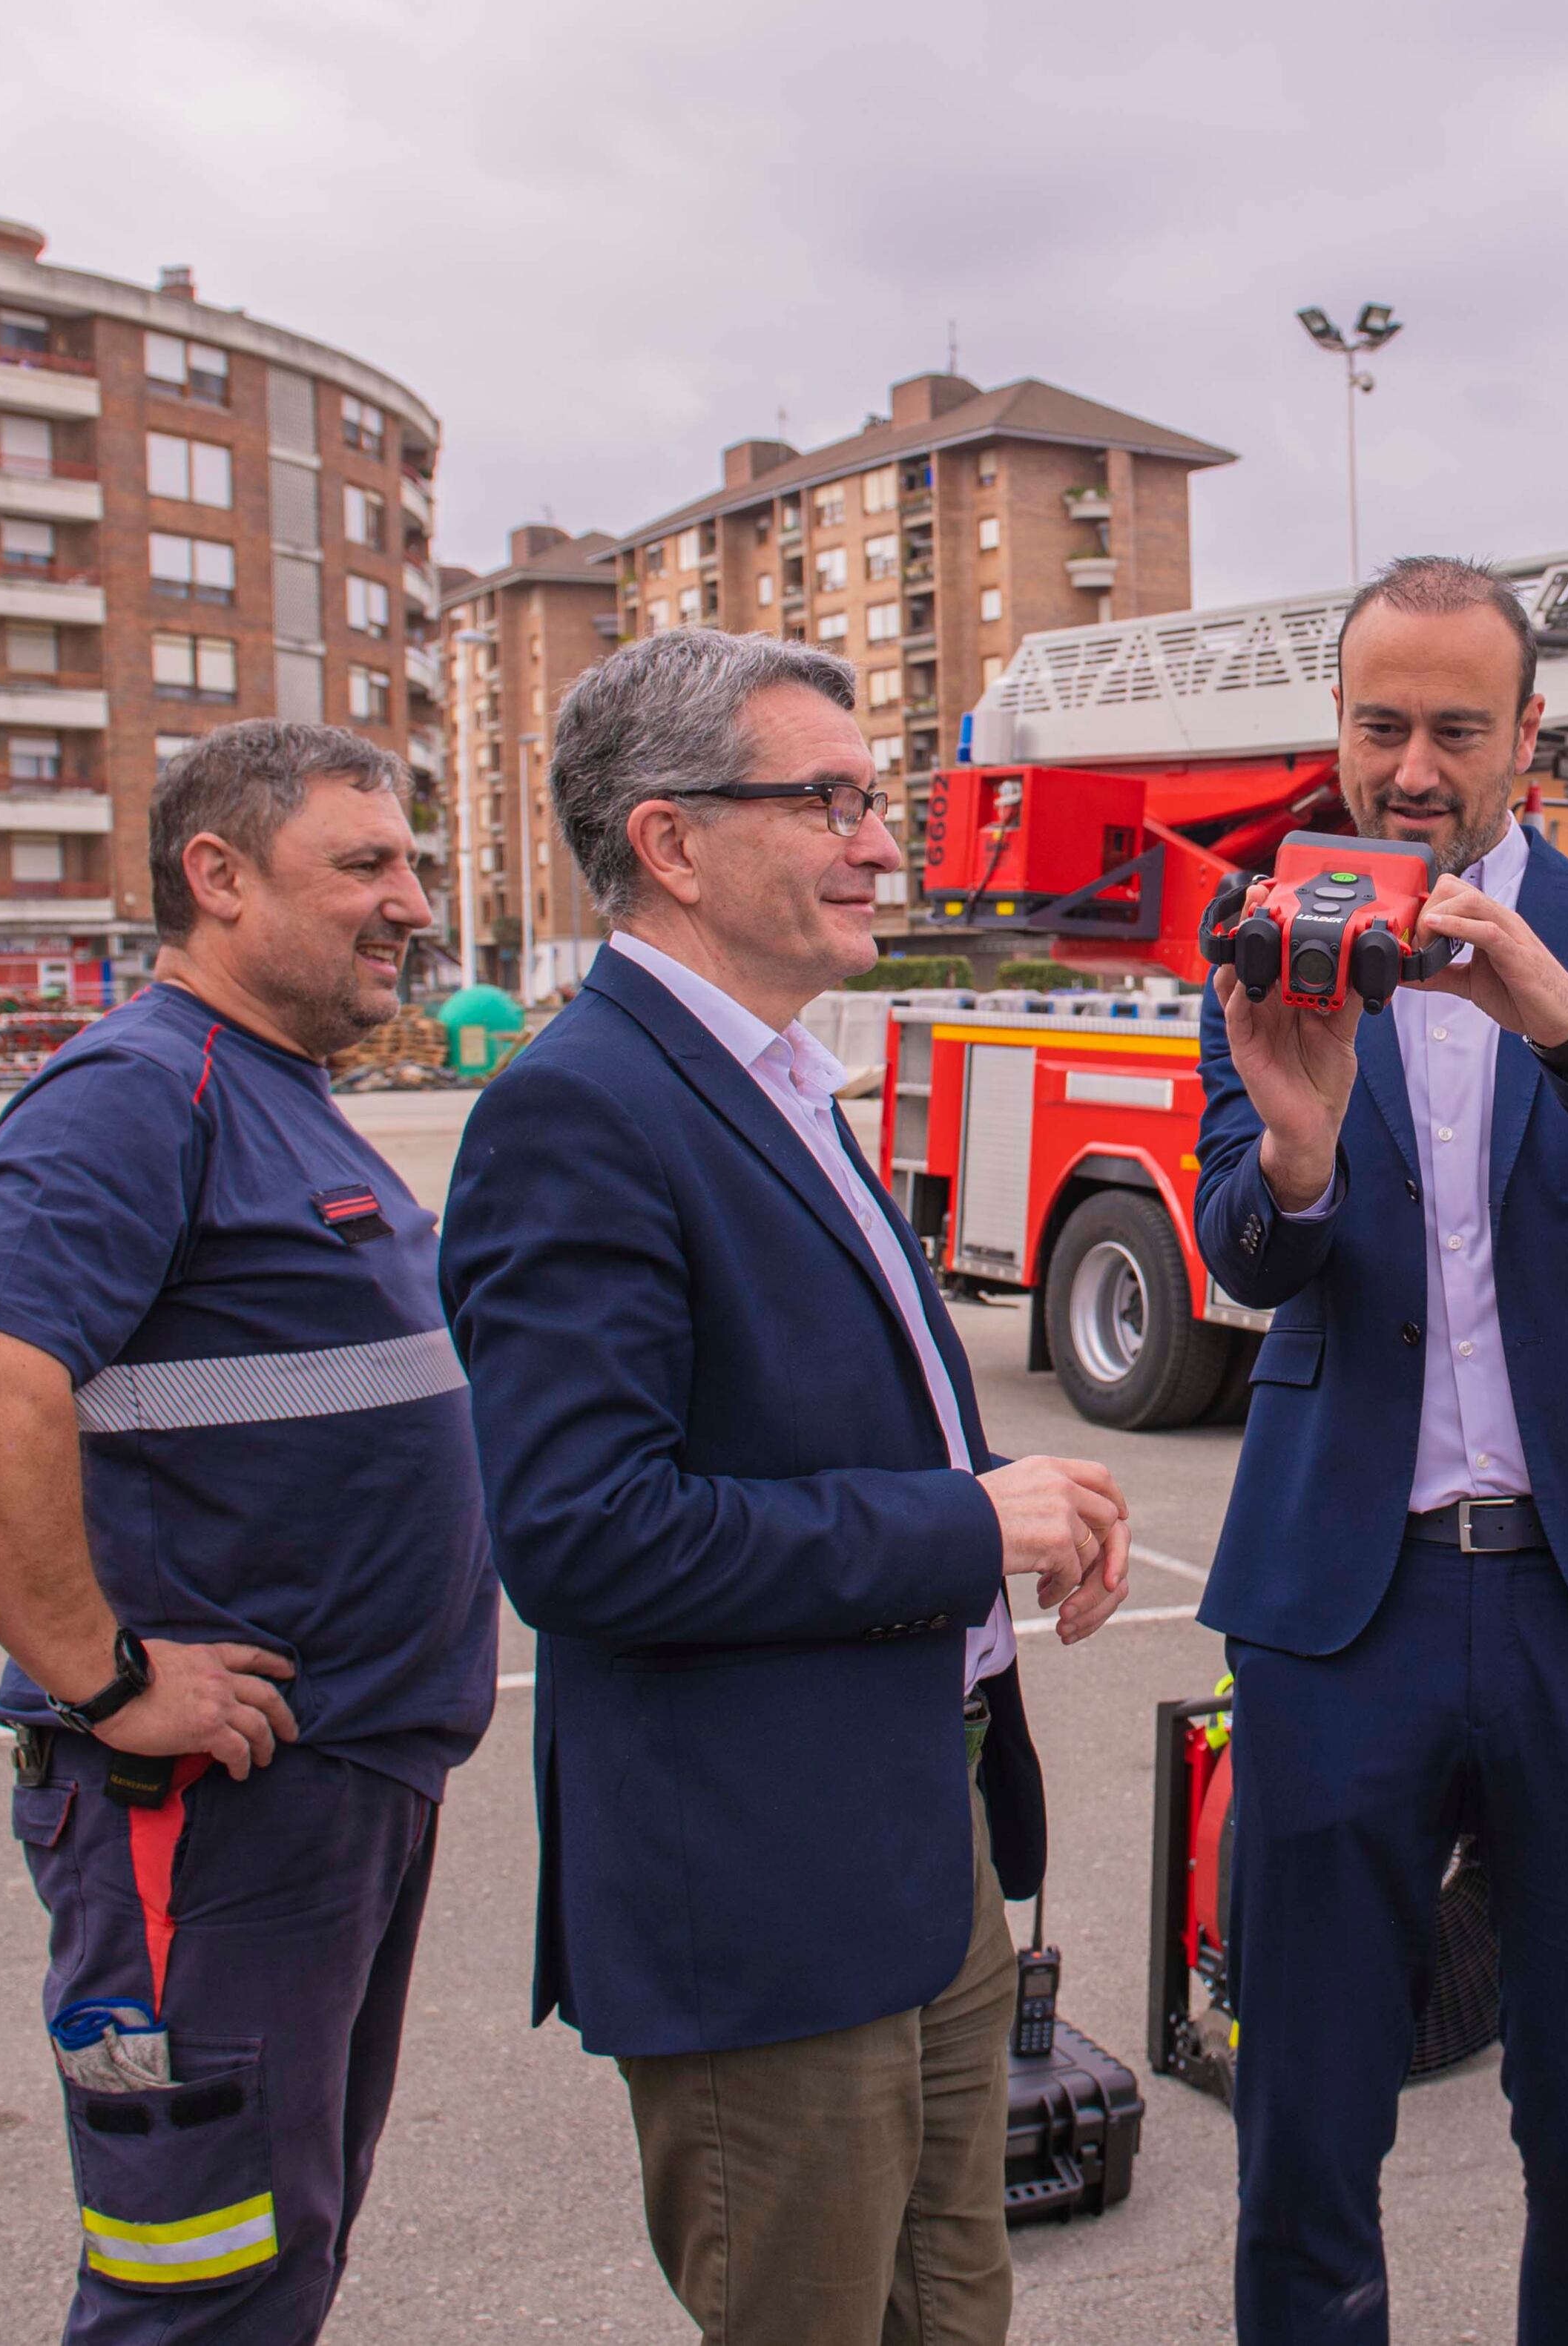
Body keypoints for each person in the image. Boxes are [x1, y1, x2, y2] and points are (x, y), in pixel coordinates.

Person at [438, 630, 1132, 2346]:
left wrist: (1004, 1491)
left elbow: (814, 1417)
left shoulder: (773, 1082)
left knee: (948, 2304)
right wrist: (967, 1526)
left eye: (869, 797)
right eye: (824, 798)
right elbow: (584, 1533)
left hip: (921, 1841)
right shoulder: (581, 1110)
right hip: (763, 1891)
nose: (880, 840)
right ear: (671, 843)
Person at [1197, 557, 1568, 2346]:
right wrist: (1297, 1158)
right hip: (1340, 1607)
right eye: (1382, 725)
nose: (1417, 766)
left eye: (1459, 727)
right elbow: (1246, 1243)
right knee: (1301, 2130)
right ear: (1341, 730)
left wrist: (1563, 1012)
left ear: (1532, 736)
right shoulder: (1267, 921)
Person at [0, 721, 495, 2342]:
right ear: (216, 877)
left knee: (275, 2253)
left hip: (327, 1799)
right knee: (200, 2285)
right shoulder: (140, 1088)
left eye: (411, 863)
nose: (413, 903)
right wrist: (108, 1678)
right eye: (365, 864)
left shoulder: (269, 1089)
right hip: (205, 1814)